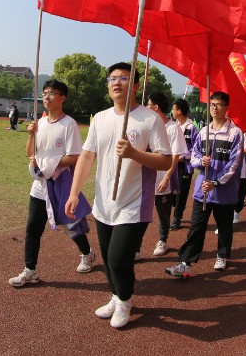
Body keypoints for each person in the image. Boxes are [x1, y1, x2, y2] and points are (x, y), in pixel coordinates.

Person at [66, 63, 171, 329]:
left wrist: (135, 153)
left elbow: (165, 160)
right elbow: (88, 156)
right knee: (107, 257)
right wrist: (74, 192)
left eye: (124, 78)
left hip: (134, 203)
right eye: (112, 78)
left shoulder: (149, 119)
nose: (117, 82)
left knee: (118, 258)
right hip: (104, 202)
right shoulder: (100, 118)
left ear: (135, 85)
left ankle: (124, 300)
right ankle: (115, 295)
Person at [9, 80, 96, 288]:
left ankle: (87, 253)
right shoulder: (40, 123)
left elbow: (74, 157)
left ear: (62, 98)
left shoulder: (69, 124)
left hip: (61, 184)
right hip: (39, 186)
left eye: (51, 93)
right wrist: (31, 134)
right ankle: (30, 270)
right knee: (32, 229)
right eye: (44, 93)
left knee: (71, 226)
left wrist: (48, 164)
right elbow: (30, 153)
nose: (46, 97)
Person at [165, 91, 244, 278]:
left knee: (224, 225)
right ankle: (185, 262)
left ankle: (222, 255)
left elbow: (234, 164)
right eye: (212, 104)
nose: (214, 108)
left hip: (223, 191)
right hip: (202, 190)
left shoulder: (235, 133)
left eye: (219, 104)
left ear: (226, 108)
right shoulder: (204, 131)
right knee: (196, 226)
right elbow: (194, 155)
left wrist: (216, 182)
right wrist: (201, 162)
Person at [147, 92, 188, 257]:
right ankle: (135, 247)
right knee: (139, 213)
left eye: (149, 105)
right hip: (146, 179)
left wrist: (166, 178)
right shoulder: (148, 126)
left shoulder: (173, 128)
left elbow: (175, 156)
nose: (146, 108)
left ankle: (162, 240)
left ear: (156, 108)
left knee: (163, 214)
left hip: (163, 180)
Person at [170, 98, 199, 230]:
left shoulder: (191, 128)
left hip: (184, 167)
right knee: (171, 194)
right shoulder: (173, 126)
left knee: (181, 194)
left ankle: (177, 218)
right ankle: (176, 210)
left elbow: (196, 148)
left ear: (179, 111)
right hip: (172, 165)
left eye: (173, 109)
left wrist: (184, 157)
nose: (172, 111)